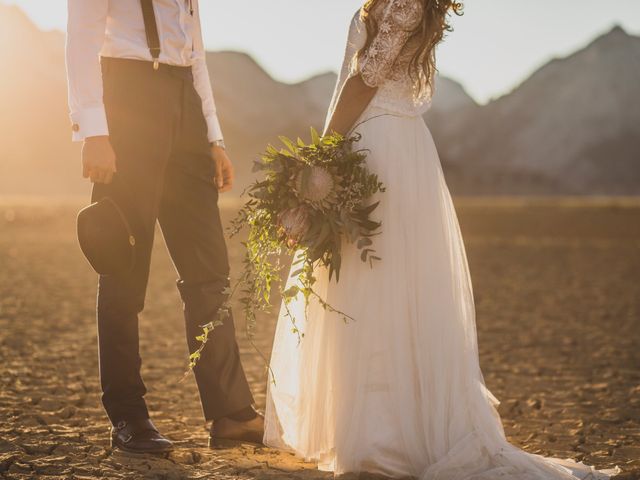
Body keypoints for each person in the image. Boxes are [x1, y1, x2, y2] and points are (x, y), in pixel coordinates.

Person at [264, 1, 618, 478]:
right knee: (370, 282)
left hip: (382, 147)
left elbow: (365, 79)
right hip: (383, 144)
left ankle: (382, 433)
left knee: (376, 282)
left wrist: (320, 153)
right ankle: (367, 424)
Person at [66, 0, 263, 454]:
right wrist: (93, 130)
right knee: (123, 268)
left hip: (186, 104)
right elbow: (81, 37)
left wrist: (213, 136)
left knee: (209, 273)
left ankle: (230, 414)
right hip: (129, 97)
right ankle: (128, 417)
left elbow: (195, 51)